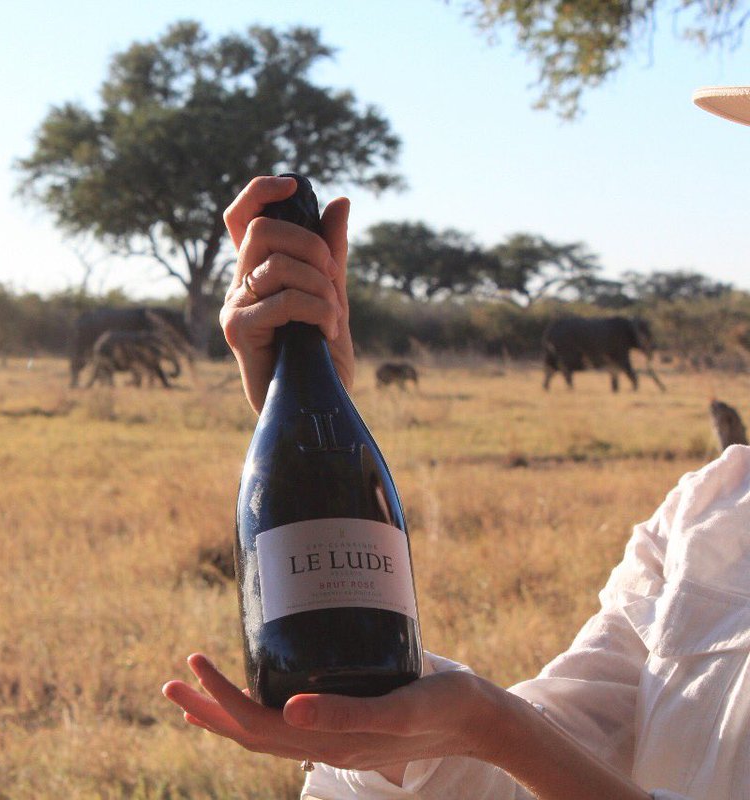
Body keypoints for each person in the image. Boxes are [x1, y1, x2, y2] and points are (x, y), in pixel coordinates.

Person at [162, 86, 750, 800]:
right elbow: (556, 750)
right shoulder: (710, 516)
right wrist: (315, 403)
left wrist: (493, 727)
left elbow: (522, 744)